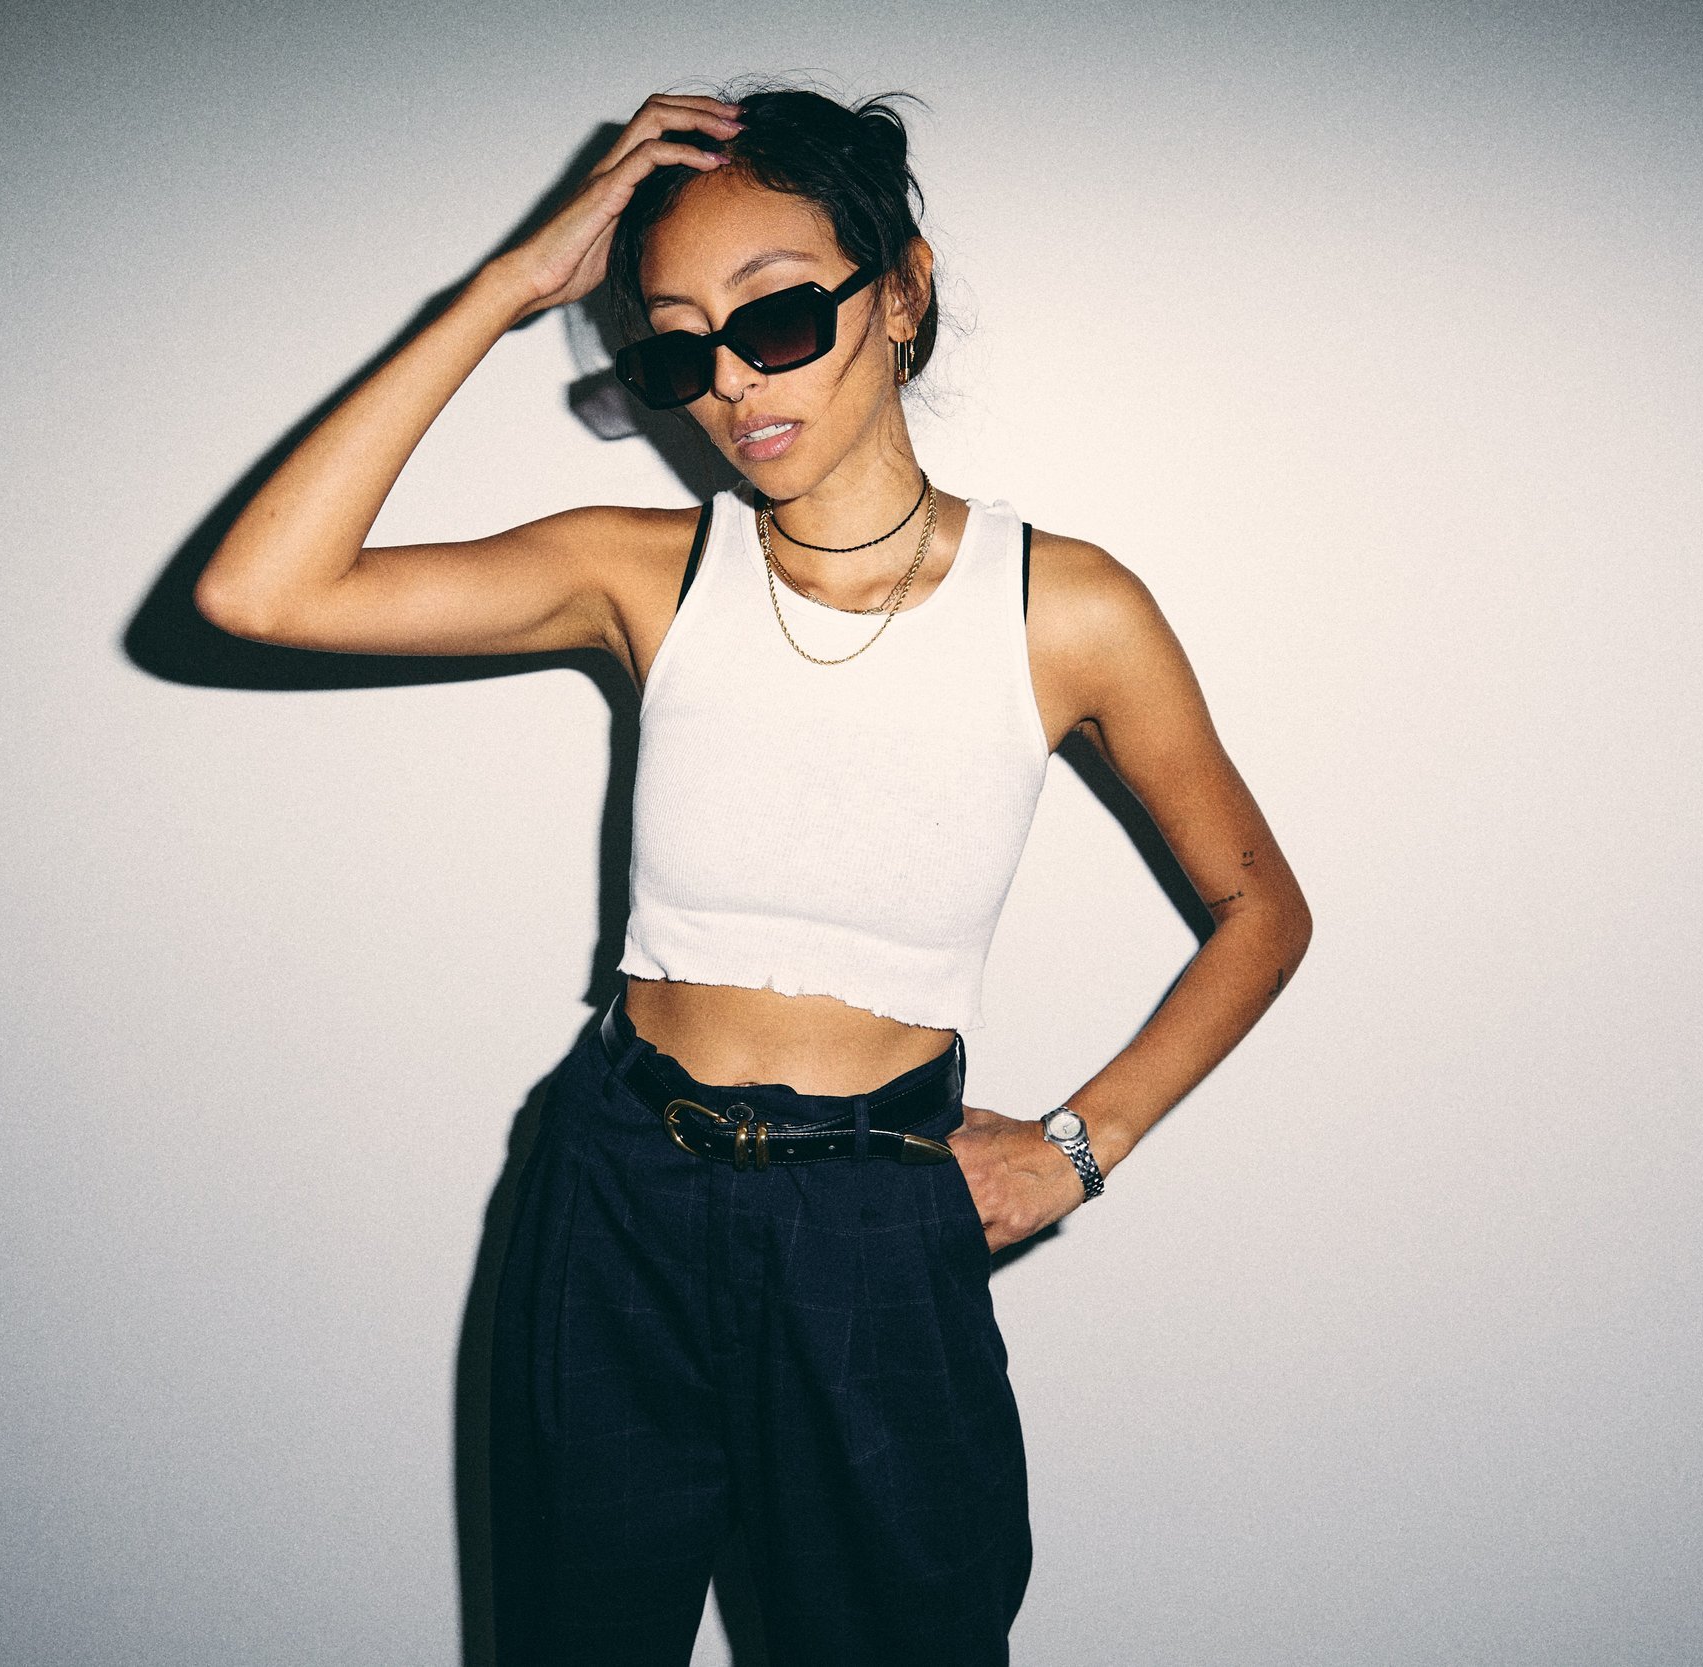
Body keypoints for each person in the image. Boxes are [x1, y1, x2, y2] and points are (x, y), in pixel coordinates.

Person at [193, 82, 1312, 1667]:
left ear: (900, 291)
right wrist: (511, 288)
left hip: (873, 1218)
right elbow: (260, 591)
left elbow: (1262, 910)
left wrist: (1081, 1144)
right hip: (615, 1190)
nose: (727, 383)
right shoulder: (642, 571)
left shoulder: (1063, 607)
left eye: (778, 316)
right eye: (673, 346)